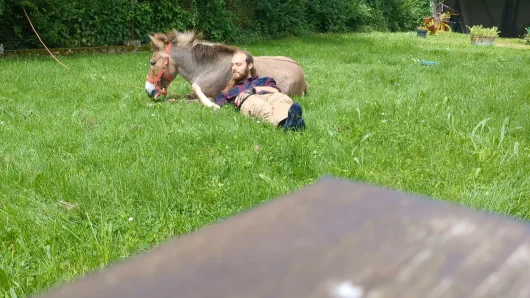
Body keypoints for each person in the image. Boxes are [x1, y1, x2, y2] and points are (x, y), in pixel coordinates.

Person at [193, 50, 306, 131]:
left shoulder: (264, 80)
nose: (233, 68)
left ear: (250, 65)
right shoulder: (230, 92)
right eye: (232, 65)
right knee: (260, 106)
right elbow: (214, 107)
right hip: (248, 100)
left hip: (269, 95)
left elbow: (275, 91)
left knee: (282, 99)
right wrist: (198, 91)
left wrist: (253, 89)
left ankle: (290, 123)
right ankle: (290, 123)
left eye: (238, 64)